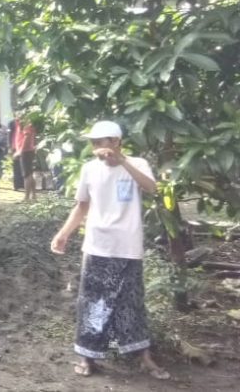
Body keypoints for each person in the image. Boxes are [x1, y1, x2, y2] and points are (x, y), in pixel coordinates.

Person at [50, 120, 169, 380]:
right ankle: (87, 355)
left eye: (100, 142)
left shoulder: (137, 164)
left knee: (132, 303)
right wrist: (63, 234)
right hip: (96, 245)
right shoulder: (89, 169)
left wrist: (122, 161)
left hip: (128, 245)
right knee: (92, 302)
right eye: (92, 143)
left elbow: (152, 188)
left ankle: (143, 356)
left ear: (116, 142)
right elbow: (81, 206)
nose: (95, 147)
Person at [13, 115, 37, 202]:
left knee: (26, 175)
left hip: (26, 151)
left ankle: (26, 197)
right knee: (29, 173)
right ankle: (33, 195)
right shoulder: (21, 123)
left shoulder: (26, 124)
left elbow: (27, 138)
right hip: (27, 150)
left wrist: (20, 151)